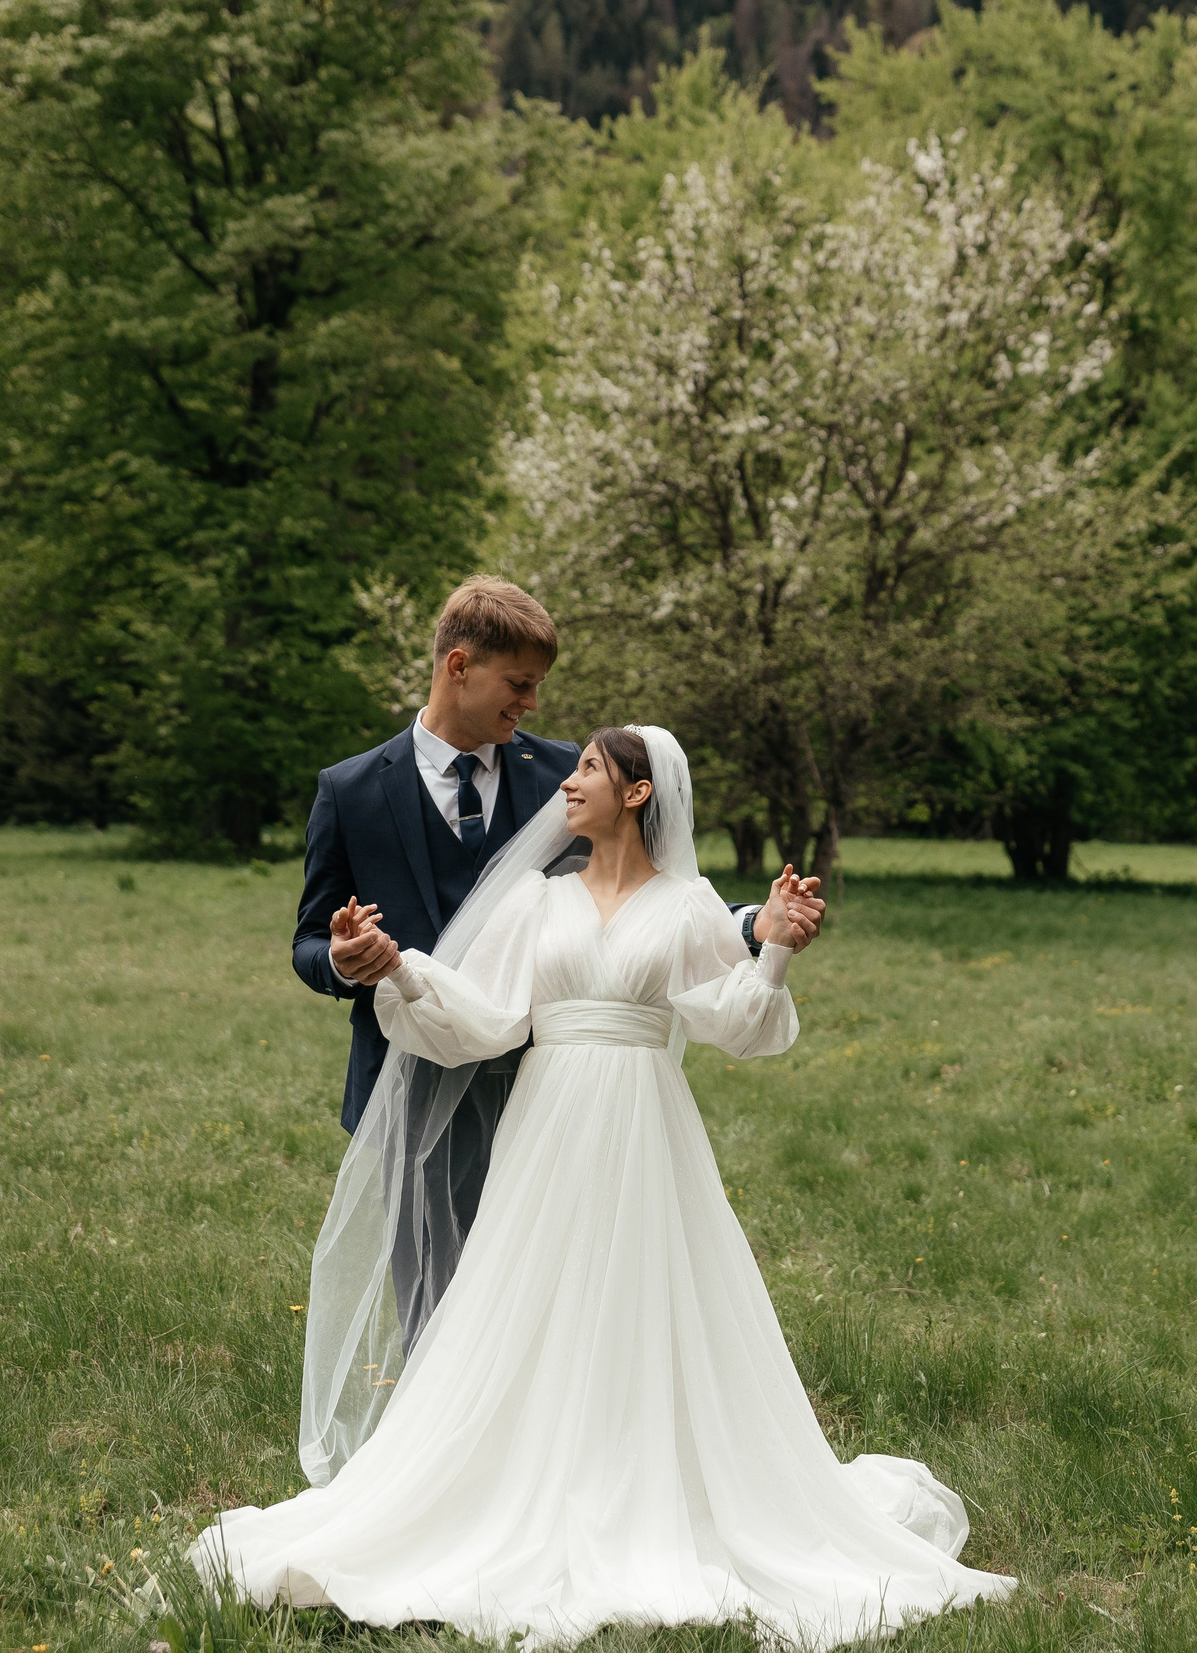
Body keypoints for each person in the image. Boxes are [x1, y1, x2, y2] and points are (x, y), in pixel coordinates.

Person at [197, 727, 1012, 1650]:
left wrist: (775, 945)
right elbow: (485, 1016)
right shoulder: (536, 903)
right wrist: (399, 968)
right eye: (576, 765)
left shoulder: (691, 904)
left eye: (589, 768)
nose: (568, 782)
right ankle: (513, 1484)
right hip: (547, 1126)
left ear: (637, 793)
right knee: (526, 1302)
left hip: (644, 1125)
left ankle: (648, 1481)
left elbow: (742, 1025)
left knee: (644, 1299)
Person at [292, 577, 821, 1374]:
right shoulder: (353, 789)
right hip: (415, 1065)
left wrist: (756, 927)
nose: (532, 705)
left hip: (553, 1082)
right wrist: (343, 958)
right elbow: (308, 939)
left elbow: (648, 890)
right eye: (520, 684)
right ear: (460, 666)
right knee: (437, 1302)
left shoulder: (563, 778)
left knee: (564, 1298)